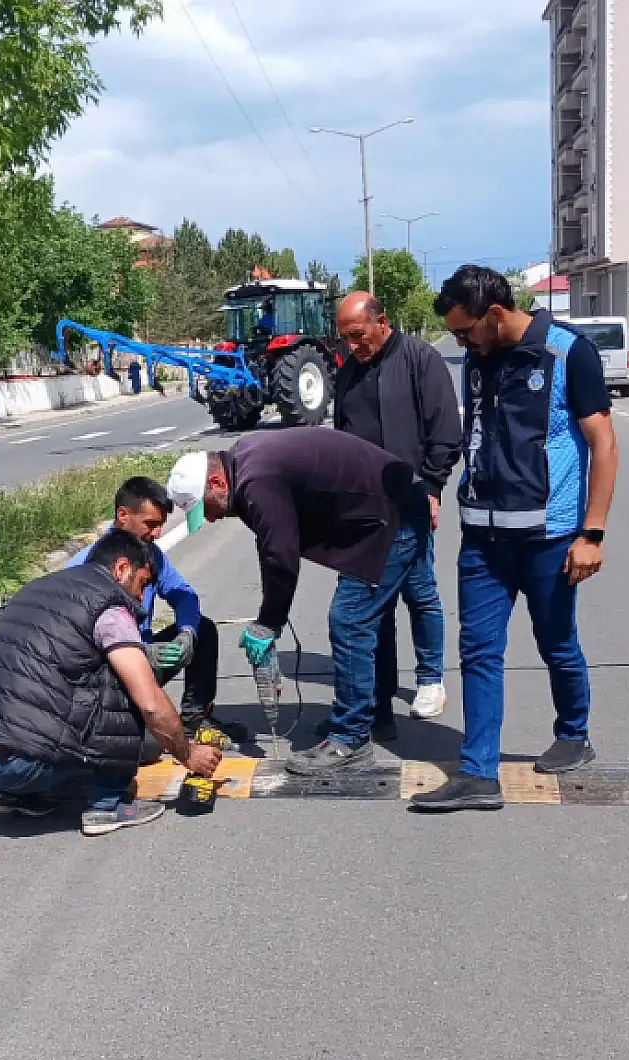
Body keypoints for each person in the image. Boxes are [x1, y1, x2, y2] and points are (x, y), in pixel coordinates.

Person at [411, 265, 619, 814]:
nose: (460, 343)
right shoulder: (476, 363)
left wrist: (591, 534)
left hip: (550, 537)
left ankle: (574, 732)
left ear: (495, 315)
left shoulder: (567, 352)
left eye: (464, 332)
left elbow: (604, 444)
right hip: (482, 536)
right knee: (479, 651)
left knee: (555, 642)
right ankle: (479, 772)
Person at [165, 428, 414, 775]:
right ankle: (374, 716)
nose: (211, 518)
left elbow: (282, 555)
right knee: (371, 620)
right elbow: (270, 545)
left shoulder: (255, 478)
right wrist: (270, 614)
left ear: (219, 482)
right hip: (381, 510)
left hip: (389, 515)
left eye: (206, 508)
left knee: (350, 620)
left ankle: (351, 738)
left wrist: (268, 623)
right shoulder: (245, 462)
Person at [0, 530, 223, 836]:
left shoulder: (39, 588)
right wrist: (187, 752)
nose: (141, 599)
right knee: (126, 679)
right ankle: (107, 805)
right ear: (121, 569)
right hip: (22, 766)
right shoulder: (109, 608)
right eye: (142, 584)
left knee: (48, 683)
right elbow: (149, 702)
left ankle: (10, 796)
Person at [331, 291, 461, 737]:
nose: (352, 345)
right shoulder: (348, 372)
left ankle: (429, 678)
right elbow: (341, 439)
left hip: (410, 501)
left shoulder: (420, 360)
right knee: (375, 606)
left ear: (381, 322)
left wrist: (432, 487)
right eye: (345, 338)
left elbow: (446, 431)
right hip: (366, 510)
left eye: (358, 335)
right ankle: (380, 702)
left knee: (419, 591)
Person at [69, 476, 243, 740]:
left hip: (142, 658)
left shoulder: (152, 555)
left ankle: (195, 720)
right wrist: (139, 654)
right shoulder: (87, 566)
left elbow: (184, 595)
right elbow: (76, 649)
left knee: (203, 630)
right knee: (144, 746)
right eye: (150, 525)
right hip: (105, 676)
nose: (156, 534)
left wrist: (187, 633)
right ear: (123, 515)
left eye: (161, 525)